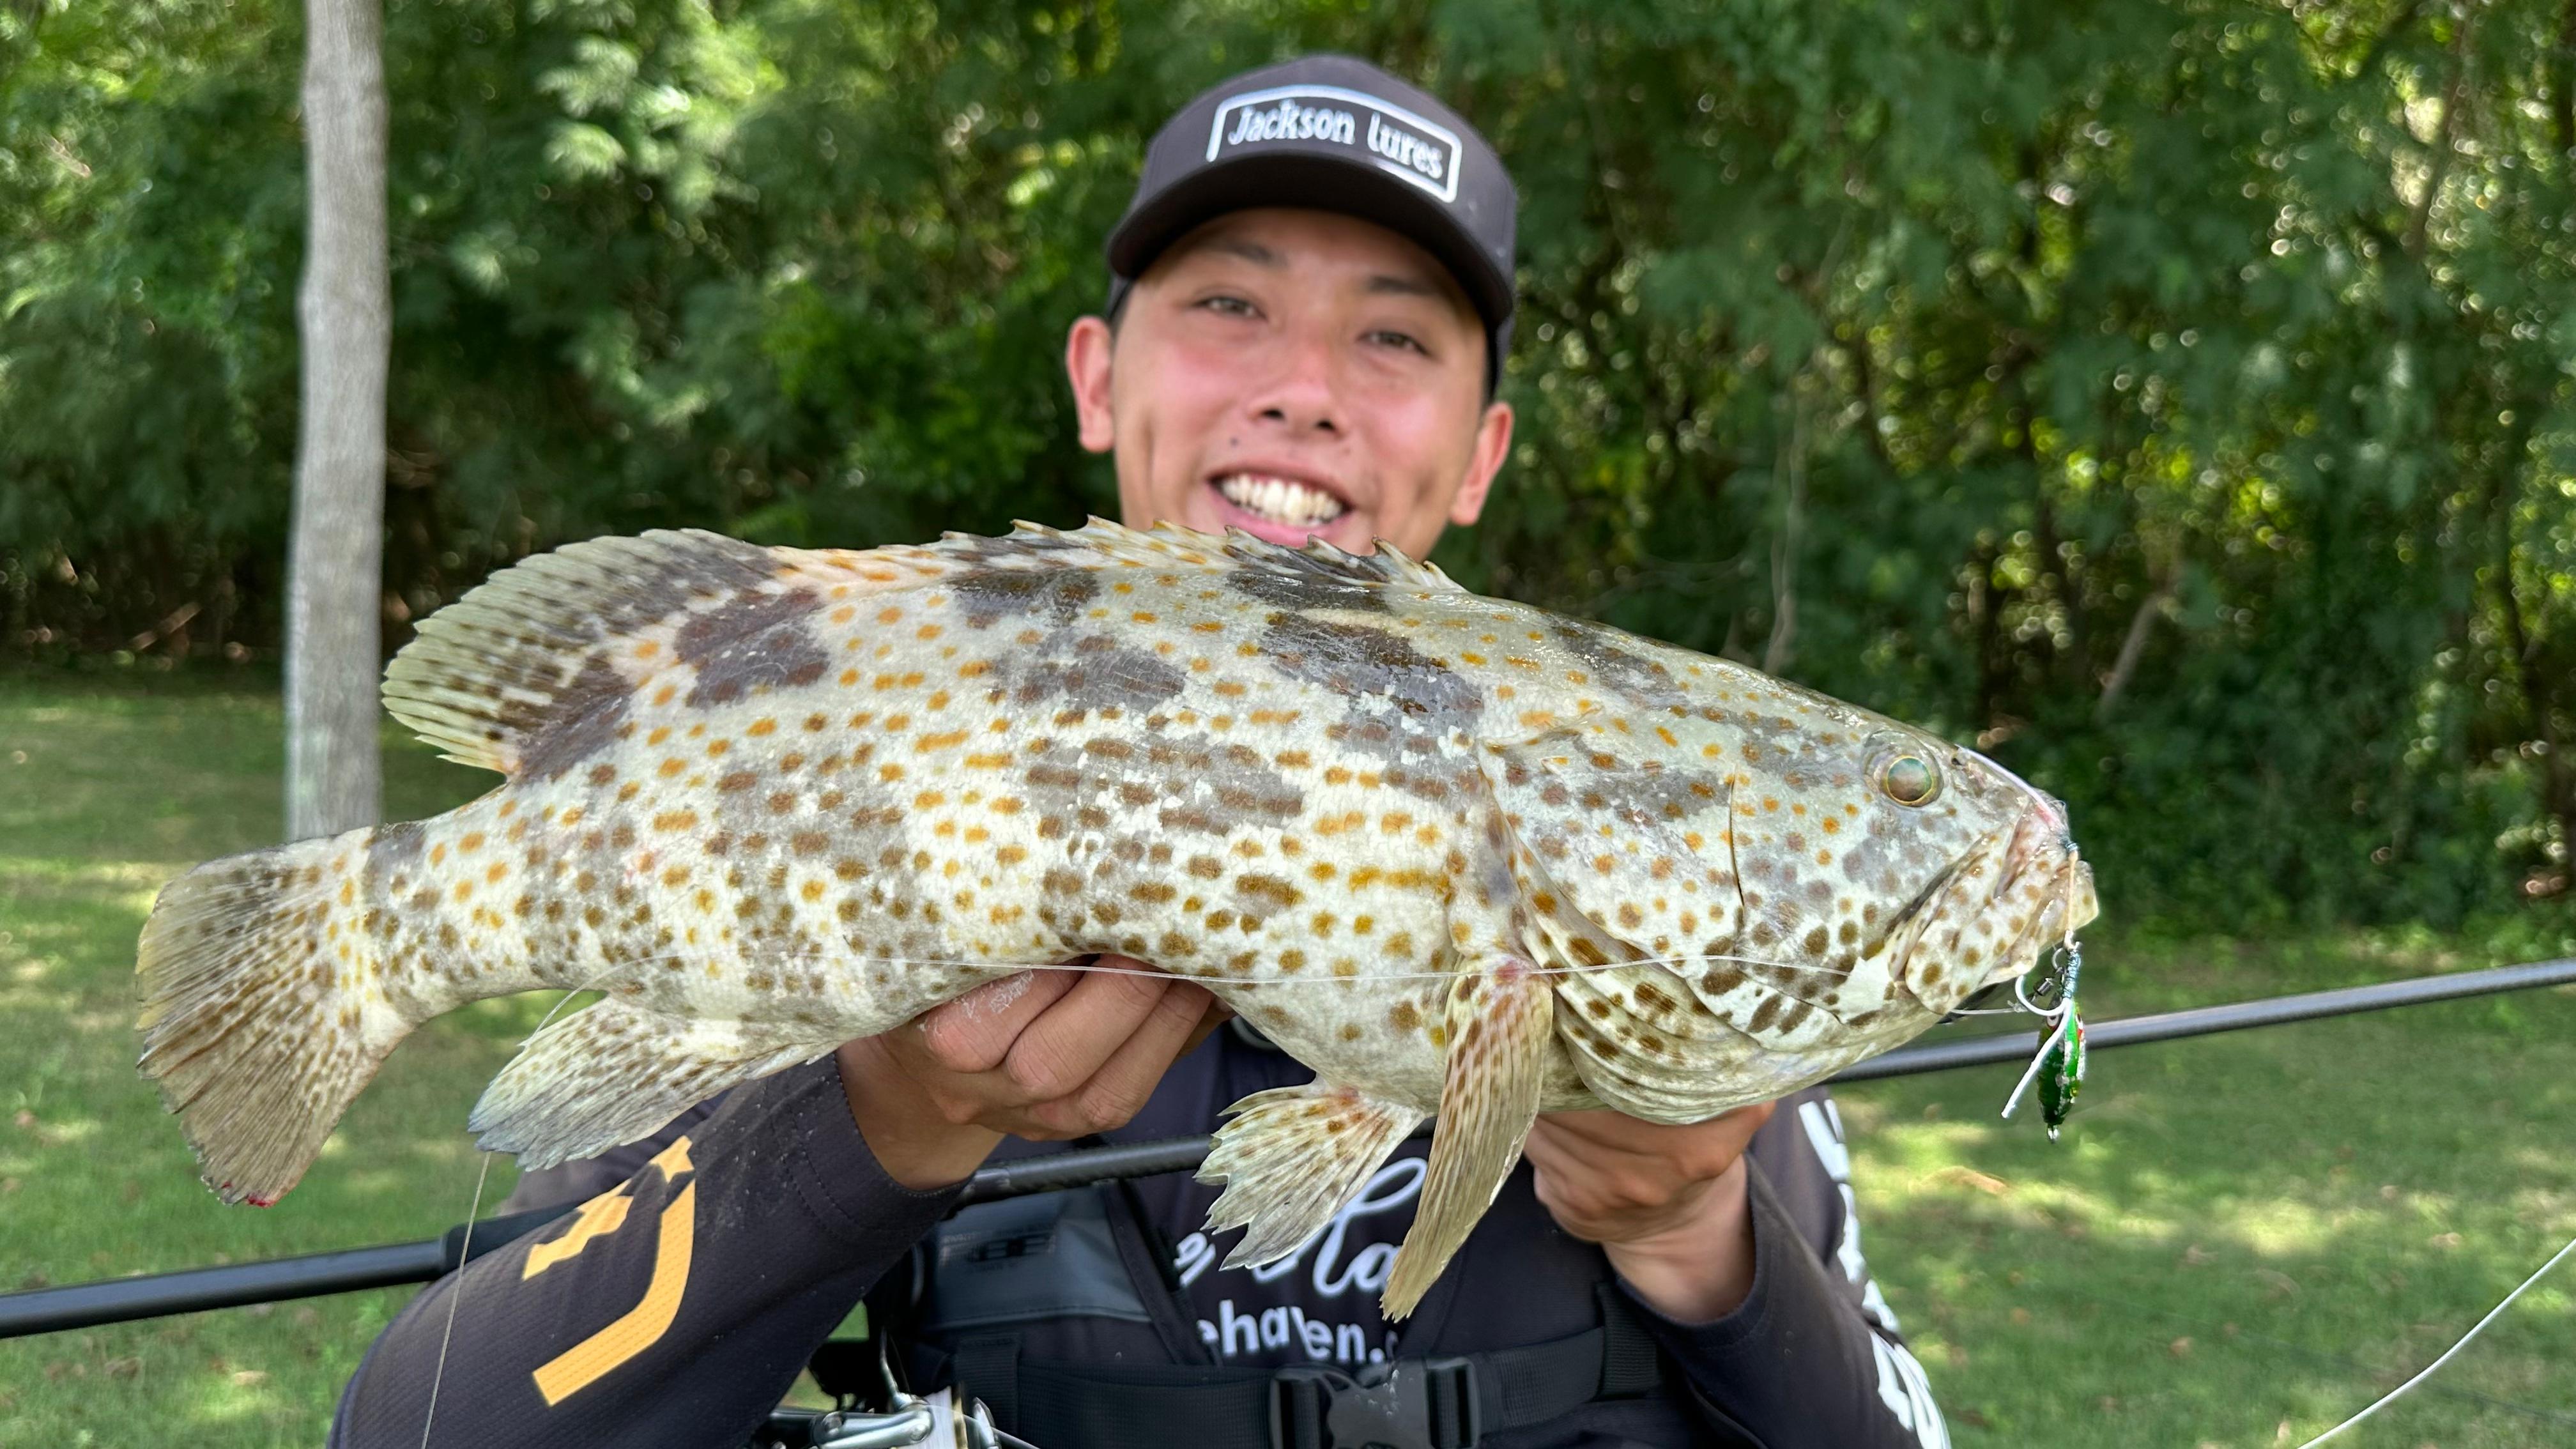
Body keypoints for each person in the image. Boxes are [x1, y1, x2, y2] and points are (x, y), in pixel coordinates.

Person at [332, 54, 1951, 1449]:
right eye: (1232, 304)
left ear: (1484, 452)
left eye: (1395, 339)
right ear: (1101, 379)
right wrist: (876, 1124)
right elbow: (410, 1431)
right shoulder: (887, 715)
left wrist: (1703, 1238)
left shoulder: (1653, 949)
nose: (1305, 389)